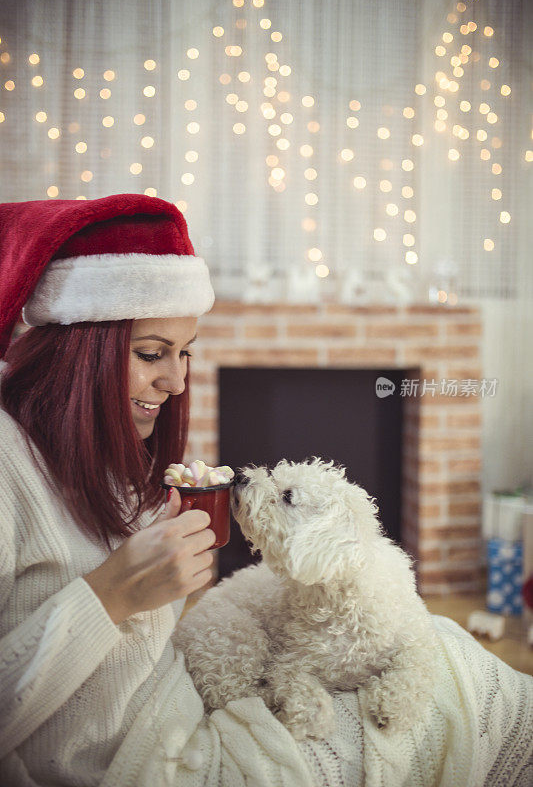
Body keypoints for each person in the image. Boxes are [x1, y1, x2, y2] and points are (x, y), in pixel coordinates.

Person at [0, 194, 531, 787]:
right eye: (152, 353)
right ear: (78, 347)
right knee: (479, 698)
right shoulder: (8, 464)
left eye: (185, 354)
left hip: (181, 703)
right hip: (159, 759)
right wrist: (112, 596)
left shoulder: (115, 457)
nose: (175, 382)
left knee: (446, 643)